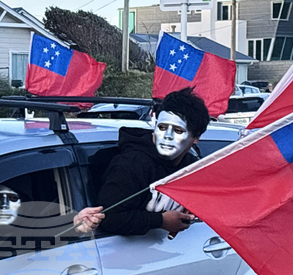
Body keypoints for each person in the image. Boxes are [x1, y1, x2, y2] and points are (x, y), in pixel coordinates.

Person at [74, 87, 210, 237]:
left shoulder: (192, 167)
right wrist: (160, 221)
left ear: (196, 137)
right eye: (162, 127)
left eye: (178, 130)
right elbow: (108, 217)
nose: (167, 136)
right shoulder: (131, 164)